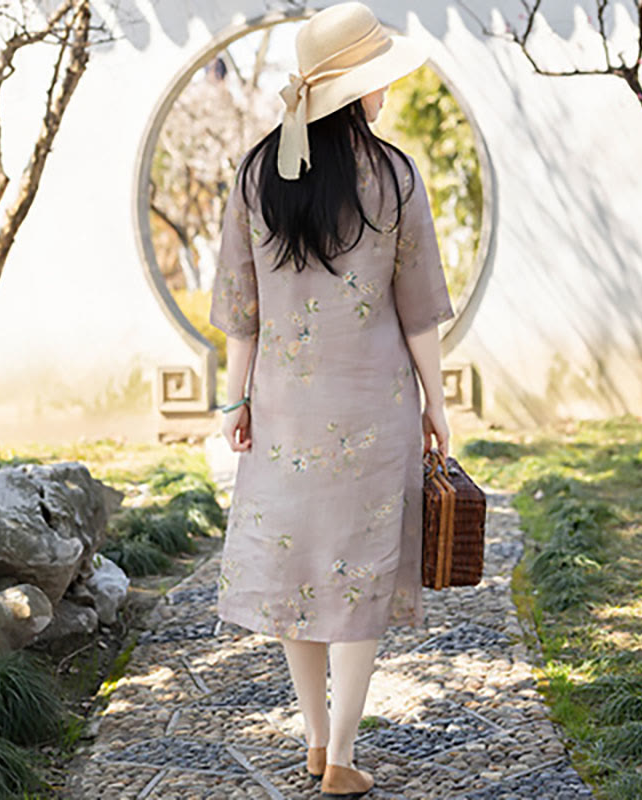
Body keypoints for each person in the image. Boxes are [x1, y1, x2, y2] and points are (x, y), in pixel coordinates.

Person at [208, 3, 455, 796]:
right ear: (356, 89)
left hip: (282, 410)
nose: (386, 93)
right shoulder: (395, 176)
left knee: (300, 571)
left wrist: (233, 401)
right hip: (375, 409)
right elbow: (420, 313)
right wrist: (437, 407)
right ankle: (342, 758)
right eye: (378, 79)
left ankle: (316, 741)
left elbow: (240, 313)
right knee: (358, 579)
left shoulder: (255, 175)